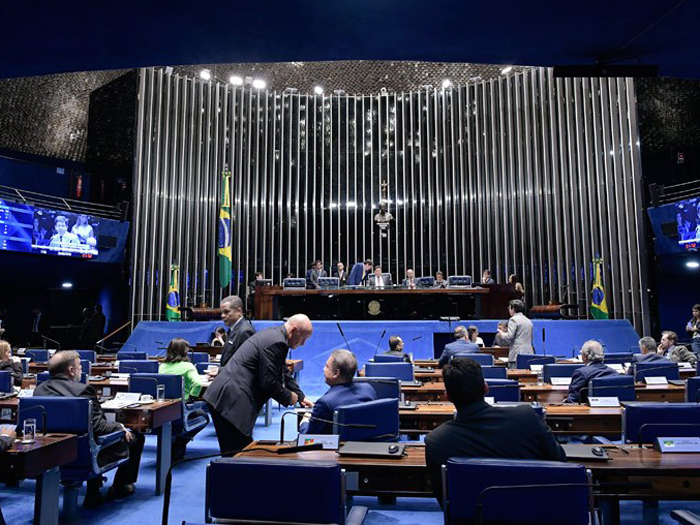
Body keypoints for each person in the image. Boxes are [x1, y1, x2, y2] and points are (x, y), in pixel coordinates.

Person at [425, 358, 566, 503]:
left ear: (447, 396)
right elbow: (560, 462)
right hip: (536, 511)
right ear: (486, 388)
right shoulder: (527, 417)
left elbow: (445, 499)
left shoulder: (436, 441)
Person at [34, 351, 145, 507]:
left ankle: (95, 491)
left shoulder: (38, 391)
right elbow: (99, 427)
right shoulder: (83, 390)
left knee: (86, 436)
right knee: (136, 437)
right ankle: (120, 487)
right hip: (83, 455)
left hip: (49, 454)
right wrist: (120, 426)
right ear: (71, 370)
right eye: (79, 366)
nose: (82, 370)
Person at [204, 314, 314, 454]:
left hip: (228, 397)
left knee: (240, 454)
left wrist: (300, 396)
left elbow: (283, 371)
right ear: (293, 330)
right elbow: (268, 382)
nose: (303, 343)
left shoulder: (275, 335)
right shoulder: (278, 343)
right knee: (237, 457)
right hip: (231, 401)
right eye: (303, 338)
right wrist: (288, 397)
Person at [299, 350, 376, 435]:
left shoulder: (324, 403)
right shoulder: (368, 389)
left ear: (336, 373)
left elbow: (309, 439)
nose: (324, 369)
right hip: (366, 445)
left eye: (327, 366)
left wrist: (304, 422)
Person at [158, 338, 207, 459]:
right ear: (184, 351)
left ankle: (175, 441)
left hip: (165, 408)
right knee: (204, 417)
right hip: (182, 406)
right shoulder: (188, 366)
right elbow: (197, 384)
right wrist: (192, 397)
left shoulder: (162, 367)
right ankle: (180, 440)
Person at [217, 295, 255, 368]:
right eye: (221, 312)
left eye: (226, 312)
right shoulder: (233, 329)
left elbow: (245, 364)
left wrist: (220, 371)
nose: (222, 316)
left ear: (238, 311)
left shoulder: (245, 331)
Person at [498, 299, 534, 366]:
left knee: (514, 374)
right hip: (529, 353)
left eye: (509, 308)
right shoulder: (528, 320)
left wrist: (502, 334)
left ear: (513, 308)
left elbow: (510, 336)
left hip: (516, 354)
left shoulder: (513, 319)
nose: (509, 310)